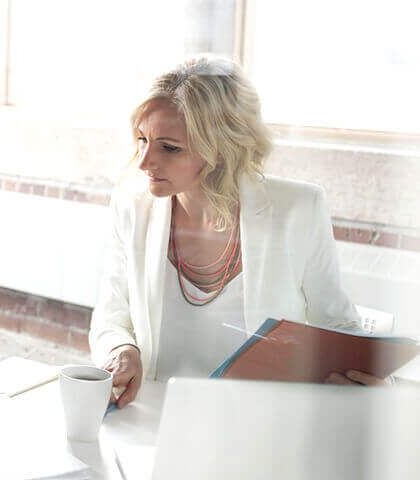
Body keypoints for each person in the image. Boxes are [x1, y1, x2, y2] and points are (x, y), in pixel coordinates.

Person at [89, 56, 387, 409]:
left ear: (220, 147)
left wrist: (375, 377)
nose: (143, 161)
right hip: (155, 418)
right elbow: (111, 316)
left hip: (261, 427)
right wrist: (122, 349)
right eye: (141, 139)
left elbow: (337, 322)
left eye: (169, 147)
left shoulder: (298, 208)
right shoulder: (132, 206)